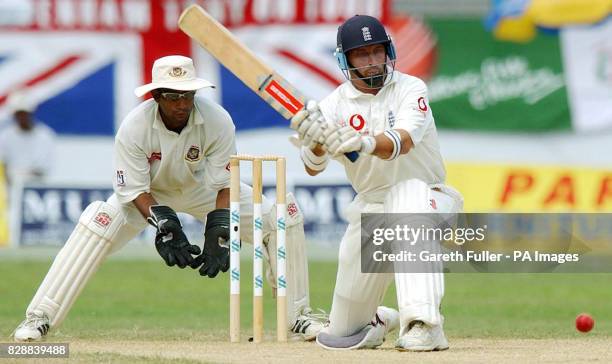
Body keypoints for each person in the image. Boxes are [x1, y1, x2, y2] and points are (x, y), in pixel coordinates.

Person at [13, 55, 325, 342]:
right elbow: (134, 190)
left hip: (203, 189)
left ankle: (298, 318)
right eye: (173, 96)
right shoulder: (133, 128)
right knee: (98, 220)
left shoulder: (217, 120)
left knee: (283, 217)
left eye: (187, 95)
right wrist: (164, 222)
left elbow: (224, 182)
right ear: (157, 96)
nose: (181, 104)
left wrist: (220, 229)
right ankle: (39, 318)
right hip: (150, 193)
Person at [290, 15, 463, 351]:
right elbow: (313, 167)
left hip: (430, 198)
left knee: (407, 197)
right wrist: (313, 141)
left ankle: (424, 324)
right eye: (362, 54)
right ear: (345, 60)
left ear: (388, 51)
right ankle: (379, 320)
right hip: (371, 208)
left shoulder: (411, 88)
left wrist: (362, 142)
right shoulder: (332, 106)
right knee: (341, 333)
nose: (372, 62)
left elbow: (404, 141)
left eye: (377, 52)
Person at [0, 92, 56, 185]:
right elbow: (3, 164)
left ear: (31, 113)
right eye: (19, 114)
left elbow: (43, 169)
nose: (22, 117)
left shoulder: (45, 135)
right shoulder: (5, 136)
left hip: (36, 186)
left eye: (24, 114)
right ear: (14, 115)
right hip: (8, 185)